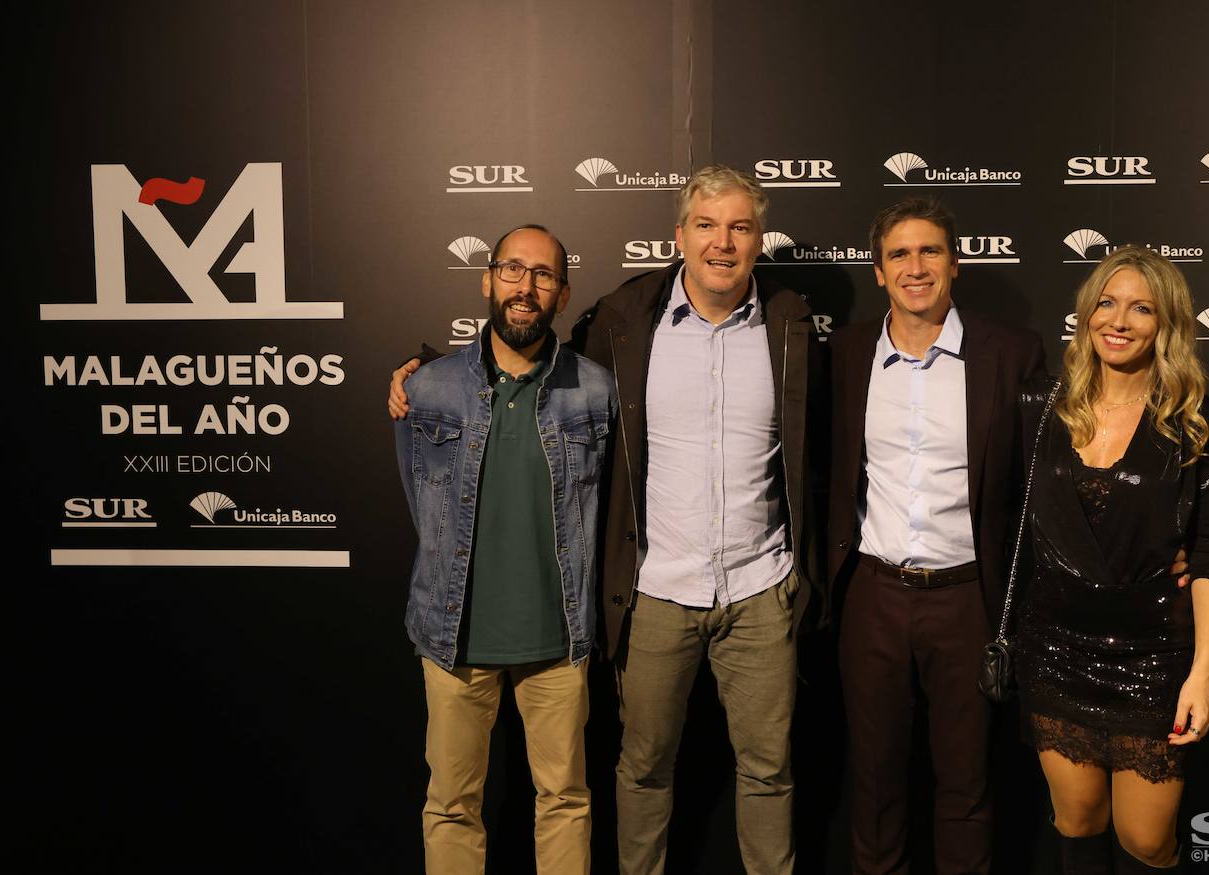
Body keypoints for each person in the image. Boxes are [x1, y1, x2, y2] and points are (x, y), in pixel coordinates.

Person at [391, 166, 821, 875]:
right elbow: (443, 455)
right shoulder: (625, 325)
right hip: (643, 593)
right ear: (678, 236)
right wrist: (424, 371)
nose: (722, 242)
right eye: (706, 226)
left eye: (740, 227)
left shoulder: (786, 325)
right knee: (630, 773)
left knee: (761, 773)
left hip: (748, 590)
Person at [827, 196, 1046, 875]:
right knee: (874, 786)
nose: (915, 267)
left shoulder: (1011, 353)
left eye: (929, 251)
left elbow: (1045, 479)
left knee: (967, 786)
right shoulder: (845, 352)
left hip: (968, 600)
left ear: (956, 263)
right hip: (873, 595)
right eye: (899, 253)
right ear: (878, 269)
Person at [395, 224, 617, 874]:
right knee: (451, 804)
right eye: (513, 270)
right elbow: (416, 495)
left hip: (559, 638)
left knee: (566, 799)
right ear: (487, 279)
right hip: (452, 636)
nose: (527, 287)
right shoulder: (428, 388)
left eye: (543, 275)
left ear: (564, 293)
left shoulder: (596, 390)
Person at [1016, 245, 1209, 874]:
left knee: (1144, 839)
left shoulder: (1192, 419)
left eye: (1141, 308)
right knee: (1077, 821)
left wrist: (1203, 672)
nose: (1120, 320)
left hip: (1154, 655)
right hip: (1055, 646)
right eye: (1106, 303)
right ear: (1086, 316)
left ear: (1167, 324)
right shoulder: (1040, 408)